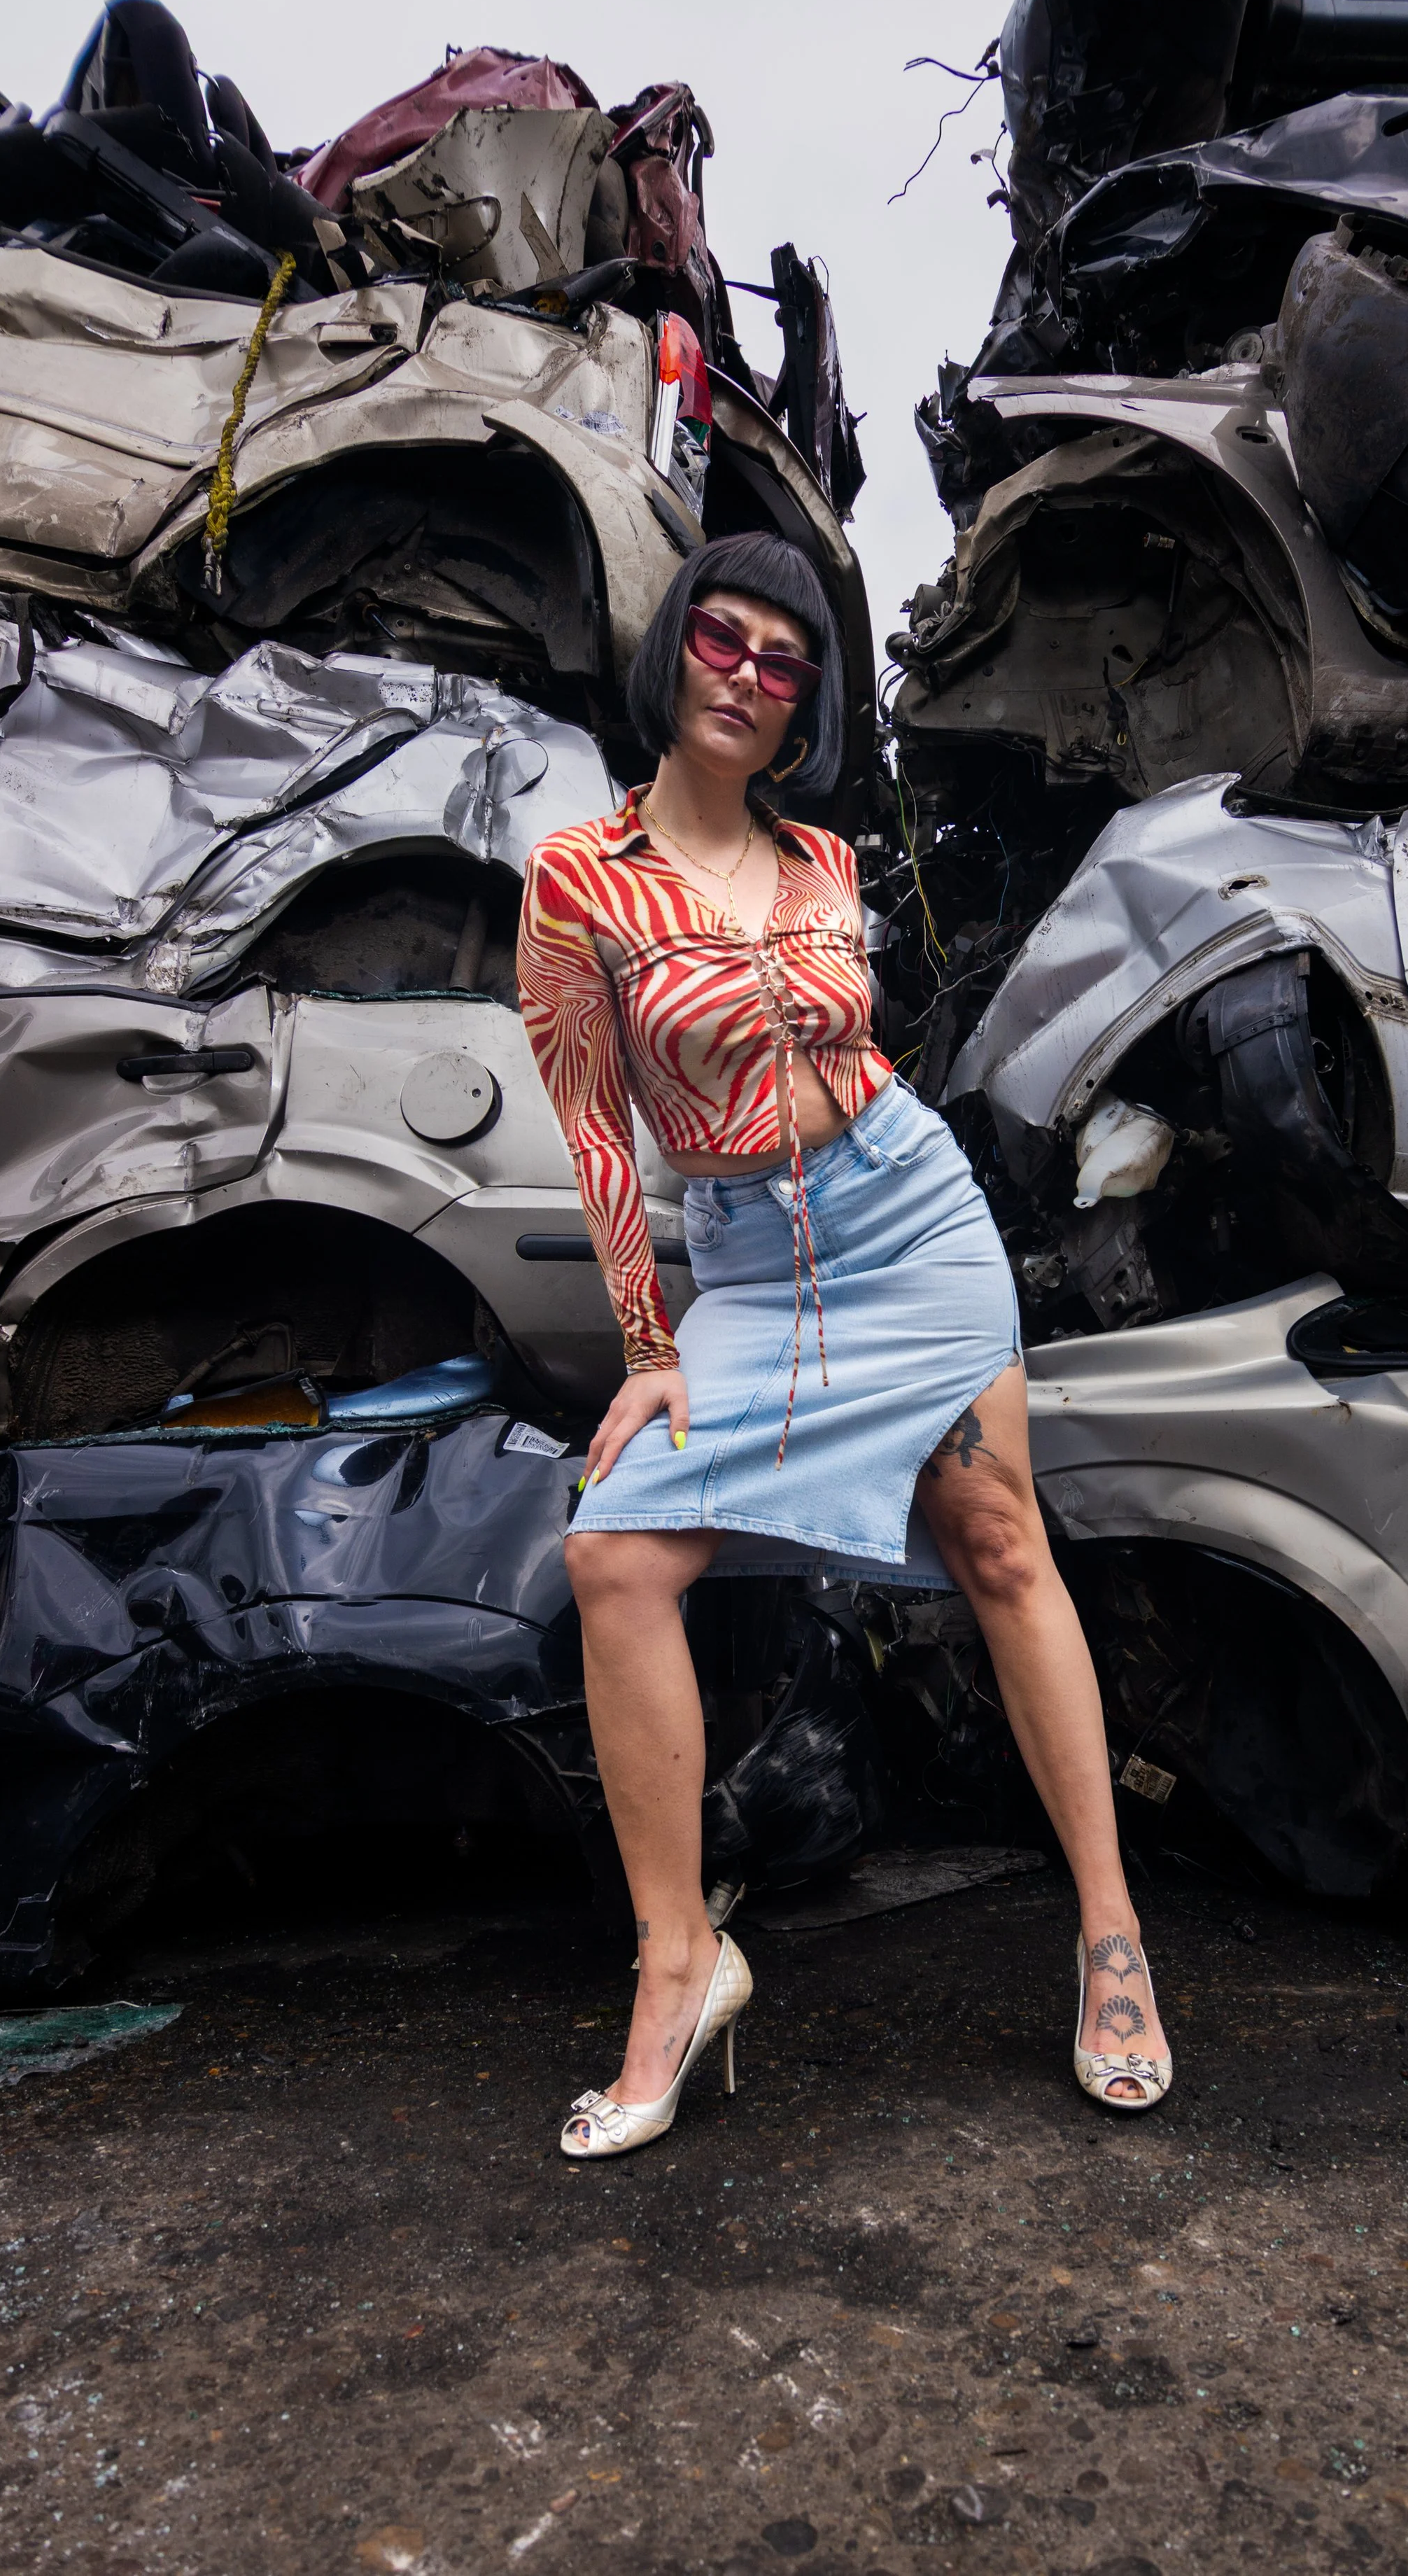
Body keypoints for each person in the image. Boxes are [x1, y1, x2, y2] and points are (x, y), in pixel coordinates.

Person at [517, 533, 1171, 2157]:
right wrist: (647, 1343)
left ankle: (1108, 1932)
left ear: (804, 699)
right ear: (673, 651)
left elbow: (857, 1053)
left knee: (1002, 1549)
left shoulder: (821, 861)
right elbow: (597, 1130)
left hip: (907, 1219)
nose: (745, 675)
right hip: (746, 1260)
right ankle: (679, 1962)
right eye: (721, 643)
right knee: (616, 1554)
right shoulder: (577, 879)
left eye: (782, 661)